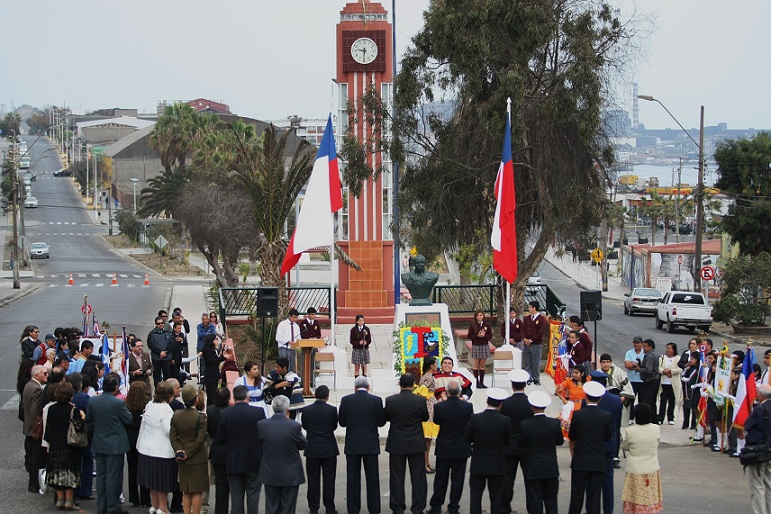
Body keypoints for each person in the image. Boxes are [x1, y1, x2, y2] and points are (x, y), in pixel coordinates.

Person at [338, 376, 386, 514]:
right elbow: (381, 422)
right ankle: (374, 509)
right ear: (368, 387)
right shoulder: (376, 400)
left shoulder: (346, 400)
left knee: (352, 479)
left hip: (353, 443)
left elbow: (341, 422)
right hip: (370, 443)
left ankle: (353, 509)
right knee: (372, 478)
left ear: (355, 387)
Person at [216, 385, 266, 514]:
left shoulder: (225, 414)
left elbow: (219, 438)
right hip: (254, 459)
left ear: (234, 396)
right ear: (247, 397)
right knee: (253, 495)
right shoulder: (258, 412)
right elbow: (263, 435)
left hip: (233, 460)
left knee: (236, 496)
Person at [87, 372, 132, 514]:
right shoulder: (118, 403)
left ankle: (102, 505)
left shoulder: (93, 401)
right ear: (115, 387)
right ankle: (113, 506)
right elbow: (128, 419)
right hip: (115, 444)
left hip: (99, 442)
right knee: (113, 476)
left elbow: (89, 419)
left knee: (101, 476)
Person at [385, 373, 430, 514]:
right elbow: (425, 417)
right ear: (413, 384)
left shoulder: (391, 400)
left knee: (397, 477)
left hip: (397, 442)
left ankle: (397, 507)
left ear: (400, 384)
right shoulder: (419, 400)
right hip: (415, 442)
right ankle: (418, 508)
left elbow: (386, 417)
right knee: (418, 477)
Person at [427, 380, 473, 514]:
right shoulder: (467, 407)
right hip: (461, 445)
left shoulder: (440, 407)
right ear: (460, 392)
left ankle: (436, 506)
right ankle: (453, 507)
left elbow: (436, 421)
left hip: (444, 446)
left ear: (446, 391)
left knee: (441, 478)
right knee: (458, 479)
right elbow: (469, 422)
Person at [567, 381, 612, 514]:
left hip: (580, 459)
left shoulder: (578, 414)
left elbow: (572, 435)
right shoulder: (606, 416)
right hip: (597, 460)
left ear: (585, 396)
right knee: (594, 496)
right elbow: (607, 437)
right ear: (600, 398)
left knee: (576, 495)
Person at [258, 395, 307, 514]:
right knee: (288, 506)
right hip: (290, 472)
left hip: (270, 471)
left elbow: (259, 444)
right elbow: (303, 445)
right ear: (287, 409)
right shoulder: (294, 426)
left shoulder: (262, 425)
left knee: (271, 505)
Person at [465, 388, 511, 514]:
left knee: (476, 495)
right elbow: (507, 441)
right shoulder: (505, 420)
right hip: (497, 463)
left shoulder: (475, 418)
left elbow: (468, 438)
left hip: (478, 463)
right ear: (500, 405)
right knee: (496, 495)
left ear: (487, 401)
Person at [518, 390, 563, 514]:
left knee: (535, 499)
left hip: (533, 467)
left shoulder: (525, 424)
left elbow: (521, 443)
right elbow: (559, 441)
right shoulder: (554, 423)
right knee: (551, 500)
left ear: (532, 406)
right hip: (550, 466)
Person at [137, 380, 177, 514]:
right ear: (169, 395)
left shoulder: (150, 405)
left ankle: (154, 505)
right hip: (162, 450)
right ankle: (163, 507)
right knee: (162, 482)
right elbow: (168, 430)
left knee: (152, 481)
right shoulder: (166, 410)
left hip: (146, 448)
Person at [43, 381, 84, 510]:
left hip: (55, 444)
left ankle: (60, 499)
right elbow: (78, 427)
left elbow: (48, 429)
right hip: (69, 446)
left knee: (58, 472)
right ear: (70, 395)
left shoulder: (51, 409)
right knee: (70, 473)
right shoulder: (73, 409)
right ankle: (69, 501)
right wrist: (83, 417)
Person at [170, 384, 209, 514]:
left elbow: (173, 436)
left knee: (185, 490)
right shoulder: (201, 417)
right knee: (197, 490)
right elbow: (200, 440)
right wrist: (189, 452)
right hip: (197, 457)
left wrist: (179, 450)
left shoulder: (176, 415)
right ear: (196, 400)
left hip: (182, 457)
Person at [301, 385, 339, 514]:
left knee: (313, 479)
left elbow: (305, 426)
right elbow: (334, 426)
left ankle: (313, 507)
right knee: (329, 479)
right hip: (328, 448)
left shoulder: (306, 410)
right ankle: (330, 507)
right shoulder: (332, 410)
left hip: (312, 447)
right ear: (327, 397)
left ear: (315, 395)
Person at [499, 369, 532, 514]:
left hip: (509, 447)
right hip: (527, 447)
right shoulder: (531, 403)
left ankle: (504, 508)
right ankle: (533, 508)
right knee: (530, 481)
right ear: (525, 385)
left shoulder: (505, 404)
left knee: (506, 480)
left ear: (512, 385)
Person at [589, 371, 622, 514]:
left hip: (592, 446)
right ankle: (608, 510)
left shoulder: (587, 401)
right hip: (609, 444)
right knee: (608, 479)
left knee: (592, 480)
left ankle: (593, 509)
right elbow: (618, 422)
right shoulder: (616, 400)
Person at [621, 403, 663, 514]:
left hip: (635, 469)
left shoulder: (631, 431)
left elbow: (625, 447)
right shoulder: (656, 428)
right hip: (652, 468)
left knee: (635, 497)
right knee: (650, 496)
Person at [744, 384, 771, 513]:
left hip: (760, 451)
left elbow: (747, 425)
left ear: (760, 395)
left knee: (758, 485)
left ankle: (760, 511)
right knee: (769, 485)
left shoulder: (760, 410)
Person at [125, 380, 151, 508]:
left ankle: (134, 498)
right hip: (143, 439)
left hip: (130, 439)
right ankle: (145, 498)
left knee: (132, 468)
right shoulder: (147, 407)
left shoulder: (127, 407)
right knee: (144, 468)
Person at [22, 364, 47, 493]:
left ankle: (33, 483)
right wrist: (37, 428)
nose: (46, 375)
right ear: (37, 375)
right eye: (44, 373)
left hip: (28, 428)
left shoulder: (28, 385)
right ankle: (34, 484)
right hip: (34, 429)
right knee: (36, 457)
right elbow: (35, 411)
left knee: (32, 456)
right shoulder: (37, 389)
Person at [207, 387, 231, 514]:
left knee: (220, 485)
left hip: (216, 450)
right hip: (230, 451)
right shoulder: (230, 411)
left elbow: (209, 431)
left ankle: (220, 511)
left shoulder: (210, 410)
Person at [419, 357, 440, 473]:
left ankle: (427, 463)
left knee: (428, 439)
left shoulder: (428, 377)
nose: (437, 365)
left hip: (430, 404)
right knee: (427, 438)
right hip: (429, 406)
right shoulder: (428, 377)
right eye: (436, 363)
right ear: (431, 365)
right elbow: (422, 393)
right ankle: (425, 464)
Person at [556, 367, 589, 439]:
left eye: (576, 373)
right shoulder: (569, 381)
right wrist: (564, 400)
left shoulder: (588, 382)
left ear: (582, 374)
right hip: (572, 407)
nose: (574, 374)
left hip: (584, 406)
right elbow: (557, 390)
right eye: (573, 372)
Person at [522, 301, 547, 385]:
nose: (528, 309)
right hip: (526, 343)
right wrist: (525, 339)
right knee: (527, 361)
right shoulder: (526, 318)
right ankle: (528, 377)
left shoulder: (541, 319)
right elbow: (523, 330)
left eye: (529, 307)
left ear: (534, 308)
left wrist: (531, 340)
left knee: (535, 362)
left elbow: (540, 333)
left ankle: (536, 378)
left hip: (536, 344)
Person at [467, 310, 493, 389]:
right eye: (478, 315)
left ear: (483, 316)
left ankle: (482, 383)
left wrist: (484, 336)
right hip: (476, 346)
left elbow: (490, 335)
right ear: (475, 317)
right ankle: (476, 382)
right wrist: (477, 336)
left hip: (484, 346)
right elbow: (470, 336)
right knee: (476, 365)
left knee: (482, 365)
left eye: (481, 315)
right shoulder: (473, 325)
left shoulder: (486, 325)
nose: (479, 317)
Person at [657, 342, 681, 425]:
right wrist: (664, 371)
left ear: (674, 350)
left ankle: (671, 418)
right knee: (663, 401)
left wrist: (671, 371)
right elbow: (658, 367)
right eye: (667, 348)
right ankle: (660, 418)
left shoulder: (678, 358)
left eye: (669, 349)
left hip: (672, 384)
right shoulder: (662, 357)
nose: (667, 350)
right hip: (663, 383)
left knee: (672, 401)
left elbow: (680, 369)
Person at [623, 336, 645, 419]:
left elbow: (644, 366)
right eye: (635, 342)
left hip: (642, 380)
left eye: (638, 343)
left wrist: (635, 364)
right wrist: (638, 366)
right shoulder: (629, 353)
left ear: (641, 344)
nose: (636, 344)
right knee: (630, 400)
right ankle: (630, 417)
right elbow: (627, 365)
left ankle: (640, 417)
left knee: (642, 401)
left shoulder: (644, 353)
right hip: (632, 380)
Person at [201, 334, 225, 406]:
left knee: (215, 395)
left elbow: (216, 364)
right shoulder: (206, 351)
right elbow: (213, 361)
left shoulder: (214, 350)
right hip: (210, 376)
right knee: (211, 397)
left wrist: (220, 376)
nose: (217, 340)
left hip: (215, 374)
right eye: (215, 339)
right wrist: (223, 357)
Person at [148, 316, 174, 384]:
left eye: (162, 323)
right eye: (158, 323)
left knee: (167, 376)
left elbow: (172, 344)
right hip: (156, 358)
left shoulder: (169, 333)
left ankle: (167, 392)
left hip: (166, 358)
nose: (160, 325)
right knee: (157, 376)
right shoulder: (152, 333)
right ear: (156, 324)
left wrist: (165, 352)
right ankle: (158, 392)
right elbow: (151, 345)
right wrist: (160, 352)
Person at [638, 339, 660, 414]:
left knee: (647, 401)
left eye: (645, 346)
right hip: (654, 380)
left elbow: (648, 370)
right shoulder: (653, 355)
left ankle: (649, 418)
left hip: (650, 381)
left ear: (650, 347)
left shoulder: (650, 356)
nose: (643, 348)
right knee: (652, 401)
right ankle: (653, 419)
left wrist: (639, 369)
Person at [275, 309, 301, 373]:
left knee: (291, 366)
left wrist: (298, 343)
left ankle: (290, 378)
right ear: (289, 316)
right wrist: (288, 341)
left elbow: (298, 337)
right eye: (294, 317)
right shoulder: (282, 324)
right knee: (284, 365)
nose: (295, 319)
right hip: (284, 347)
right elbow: (278, 337)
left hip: (293, 348)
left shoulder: (296, 326)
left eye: (296, 317)